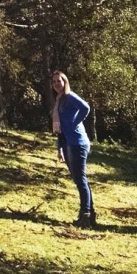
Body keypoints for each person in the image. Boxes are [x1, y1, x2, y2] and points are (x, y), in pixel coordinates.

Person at [51, 70, 96, 228]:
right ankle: (90, 214)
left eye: (59, 81)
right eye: (54, 82)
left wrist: (74, 123)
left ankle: (85, 215)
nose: (57, 84)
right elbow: (60, 130)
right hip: (68, 143)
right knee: (80, 179)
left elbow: (86, 108)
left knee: (80, 179)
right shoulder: (59, 100)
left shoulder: (70, 97)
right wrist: (60, 148)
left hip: (78, 143)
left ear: (65, 82)